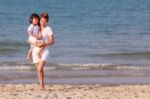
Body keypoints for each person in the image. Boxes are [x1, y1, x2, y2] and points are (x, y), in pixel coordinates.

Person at [32, 12, 54, 90]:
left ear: (47, 21)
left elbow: (52, 41)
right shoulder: (36, 28)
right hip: (35, 50)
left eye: (44, 21)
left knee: (40, 68)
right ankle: (42, 85)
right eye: (41, 21)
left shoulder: (48, 29)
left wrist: (43, 44)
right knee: (39, 70)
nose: (43, 22)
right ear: (39, 20)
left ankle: (42, 85)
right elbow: (31, 38)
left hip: (45, 50)